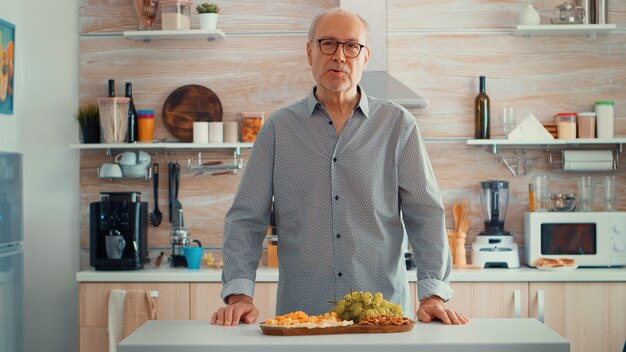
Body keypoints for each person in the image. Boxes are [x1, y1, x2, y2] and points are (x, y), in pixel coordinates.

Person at [211, 8, 468, 327]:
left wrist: (433, 294)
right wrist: (239, 295)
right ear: (310, 51)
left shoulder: (398, 125)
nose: (340, 56)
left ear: (365, 56)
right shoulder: (278, 129)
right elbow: (247, 217)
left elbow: (425, 213)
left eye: (351, 46)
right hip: (300, 318)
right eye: (328, 43)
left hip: (382, 318)